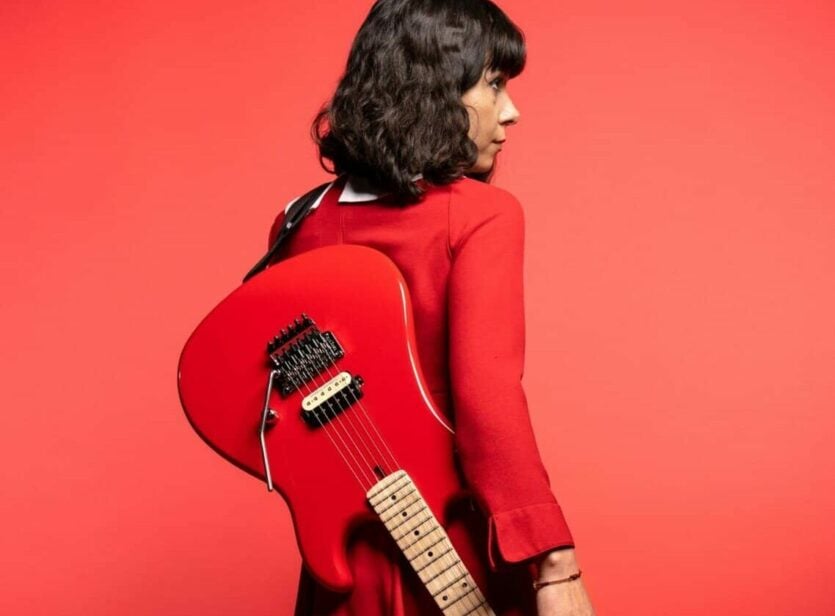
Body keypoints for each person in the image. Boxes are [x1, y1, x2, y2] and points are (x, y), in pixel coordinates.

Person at [266, 1, 597, 614]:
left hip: (341, 568)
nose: (511, 111)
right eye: (494, 85)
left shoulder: (295, 221)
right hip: (448, 552)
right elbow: (487, 396)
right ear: (436, 91)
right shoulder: (481, 215)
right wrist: (556, 568)